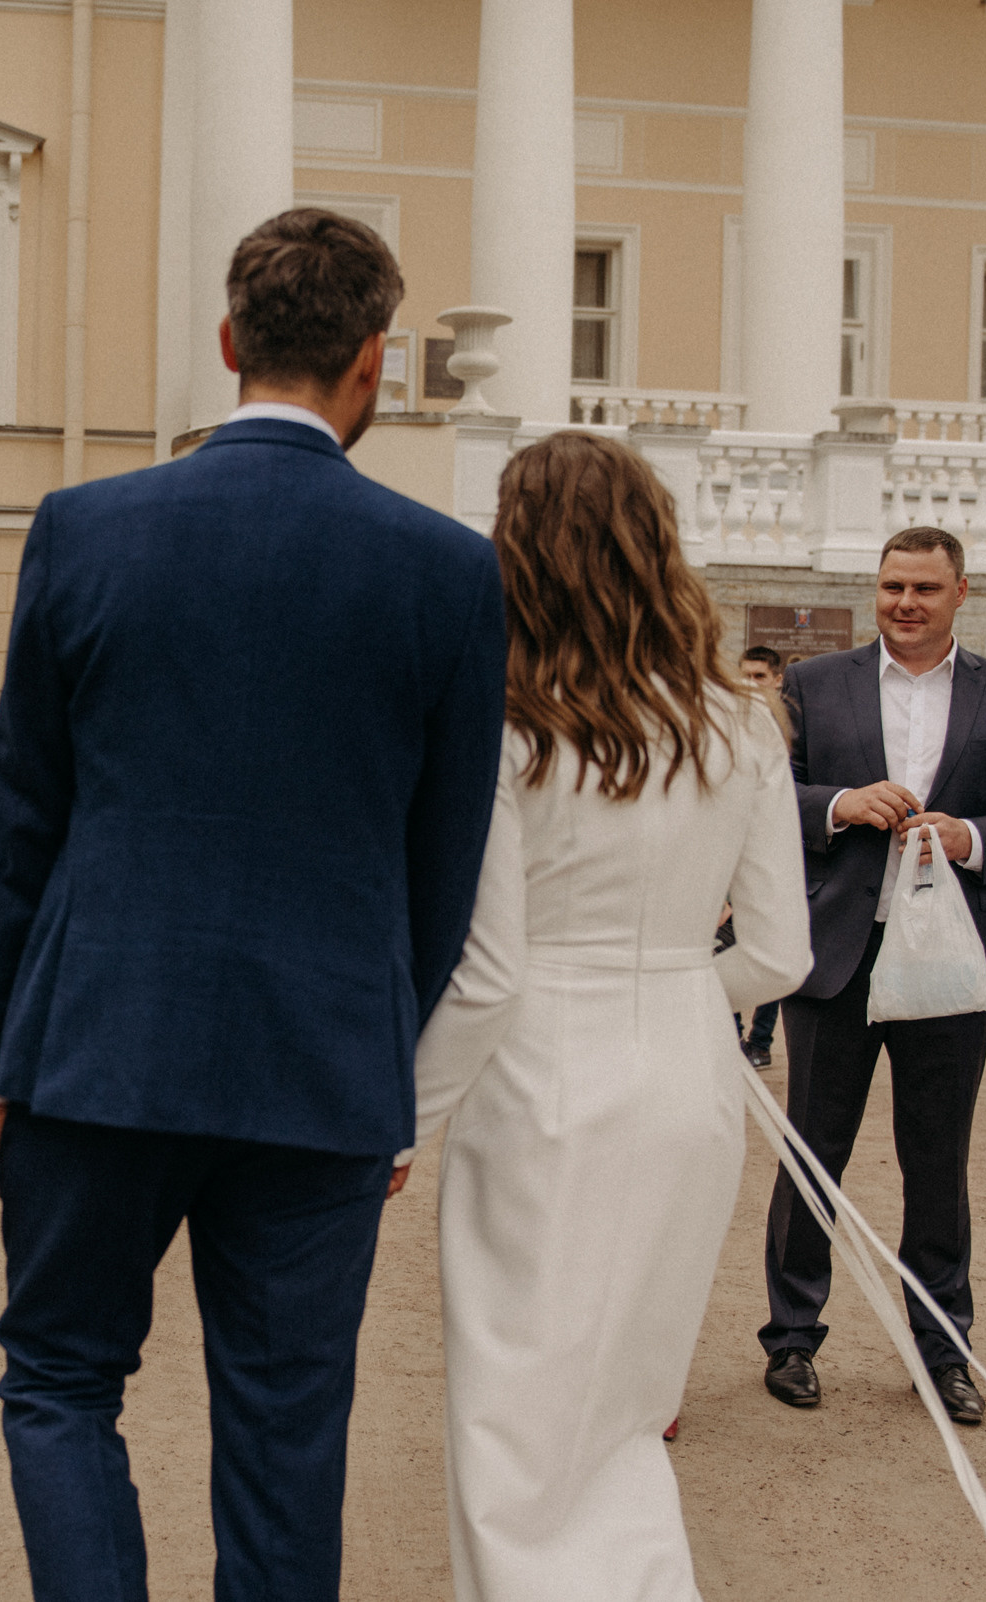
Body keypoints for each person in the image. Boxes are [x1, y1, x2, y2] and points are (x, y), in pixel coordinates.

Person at [0, 210, 505, 1602]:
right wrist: (385, 1061)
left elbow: (32, 828)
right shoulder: (450, 572)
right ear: (375, 359)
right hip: (320, 1068)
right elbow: (447, 869)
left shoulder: (84, 528)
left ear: (229, 342)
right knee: (287, 1427)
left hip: (95, 1046)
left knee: (62, 1379)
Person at [412, 433, 811, 1602]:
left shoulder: (507, 722)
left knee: (514, 1426)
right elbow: (782, 954)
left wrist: (400, 1118)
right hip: (691, 1087)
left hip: (542, 1085)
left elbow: (488, 974)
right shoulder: (740, 724)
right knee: (626, 1425)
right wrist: (683, 988)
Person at [758, 526, 986, 1426]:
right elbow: (764, 791)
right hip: (840, 960)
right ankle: (791, 1338)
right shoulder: (817, 684)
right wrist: (840, 806)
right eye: (892, 586)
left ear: (960, 593)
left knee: (938, 1163)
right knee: (813, 1158)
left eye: (925, 589)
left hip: (949, 963)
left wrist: (972, 838)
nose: (905, 604)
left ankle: (943, 1349)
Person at [732, 643, 792, 1066]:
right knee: (727, 942)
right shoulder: (729, 720)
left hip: (779, 846)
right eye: (745, 675)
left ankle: (762, 1040)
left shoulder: (789, 724)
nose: (749, 684)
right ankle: (731, 1034)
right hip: (733, 851)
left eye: (758, 677)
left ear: (776, 680)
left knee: (770, 939)